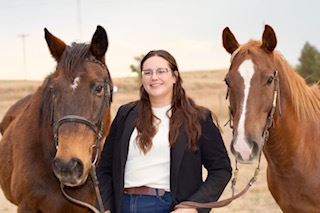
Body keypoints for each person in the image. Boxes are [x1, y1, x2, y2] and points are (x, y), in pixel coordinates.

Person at [97, 50, 232, 213]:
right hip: (123, 205)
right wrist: (106, 208)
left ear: (174, 76)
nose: (154, 77)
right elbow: (104, 168)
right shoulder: (125, 114)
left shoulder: (198, 118)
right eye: (148, 72)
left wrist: (193, 207)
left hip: (169, 206)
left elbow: (221, 170)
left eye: (161, 71)